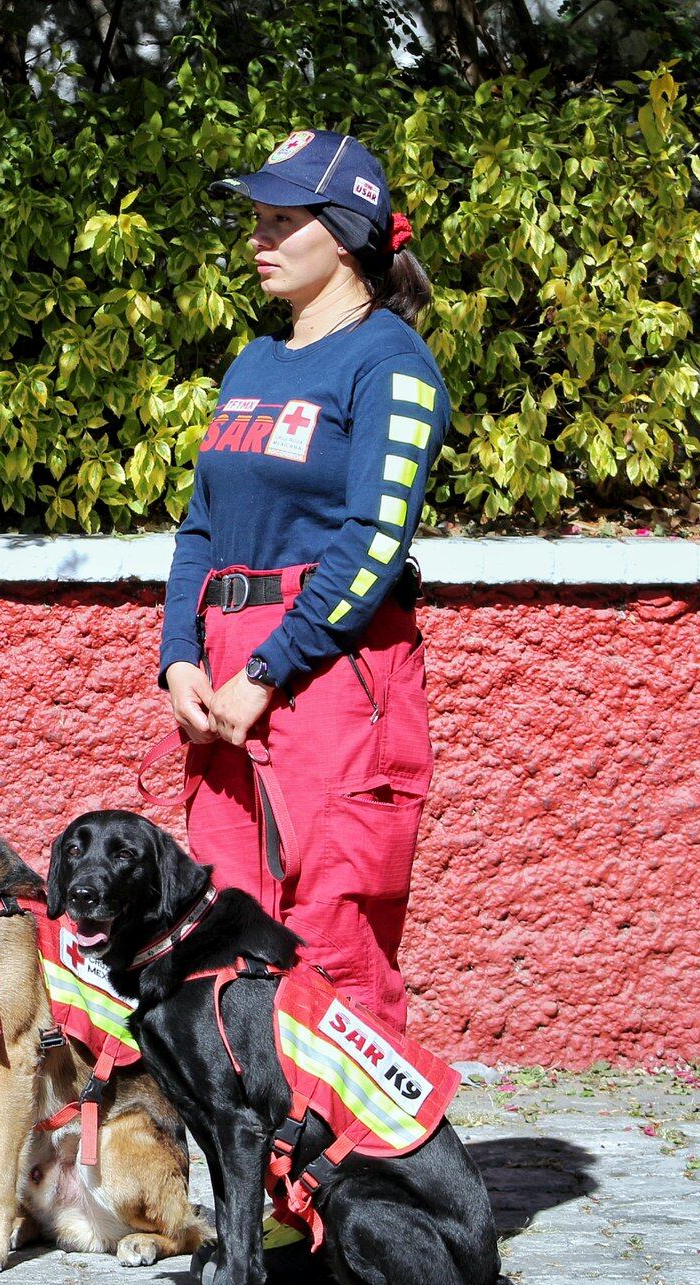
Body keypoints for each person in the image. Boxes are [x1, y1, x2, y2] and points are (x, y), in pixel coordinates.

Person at [152, 129, 450, 1033]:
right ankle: (268, 1173)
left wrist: (269, 669)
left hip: (329, 676)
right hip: (224, 679)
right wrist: (178, 661)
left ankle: (354, 1172)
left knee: (332, 944)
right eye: (257, 220)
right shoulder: (253, 364)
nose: (261, 238)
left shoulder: (390, 363)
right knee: (231, 937)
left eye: (285, 220)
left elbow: (372, 543)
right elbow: (201, 525)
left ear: (350, 234)